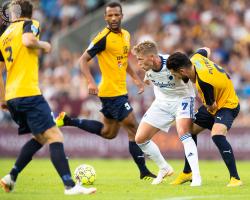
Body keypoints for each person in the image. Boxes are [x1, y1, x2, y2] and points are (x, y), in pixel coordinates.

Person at [0, 0, 96, 195]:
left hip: (13, 96)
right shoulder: (30, 24)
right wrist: (45, 45)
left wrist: (3, 99)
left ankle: (11, 176)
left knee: (41, 137)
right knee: (55, 135)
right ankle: (70, 186)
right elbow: (28, 41)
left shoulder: (4, 36)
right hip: (28, 93)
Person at [55, 2, 155, 180]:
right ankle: (144, 171)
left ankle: (68, 120)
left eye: (116, 15)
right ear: (105, 17)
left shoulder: (126, 35)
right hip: (111, 93)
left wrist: (135, 78)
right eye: (110, 15)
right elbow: (82, 60)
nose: (114, 18)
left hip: (120, 91)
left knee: (108, 133)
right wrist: (91, 82)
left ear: (122, 16)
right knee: (134, 127)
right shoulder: (102, 37)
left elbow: (122, 62)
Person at [166, 47, 243, 187]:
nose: (175, 77)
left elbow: (211, 107)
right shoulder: (196, 58)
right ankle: (187, 172)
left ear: (182, 71)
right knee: (188, 131)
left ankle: (235, 178)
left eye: (174, 74)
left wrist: (200, 108)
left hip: (227, 105)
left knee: (217, 134)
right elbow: (206, 49)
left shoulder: (203, 82)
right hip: (218, 101)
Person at [131, 41, 201, 186]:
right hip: (162, 103)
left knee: (183, 133)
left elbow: (191, 72)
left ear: (151, 57)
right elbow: (150, 75)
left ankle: (196, 176)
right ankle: (164, 168)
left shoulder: (172, 63)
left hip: (183, 99)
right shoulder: (148, 66)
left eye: (140, 59)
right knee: (140, 138)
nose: (138, 63)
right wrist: (146, 78)